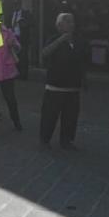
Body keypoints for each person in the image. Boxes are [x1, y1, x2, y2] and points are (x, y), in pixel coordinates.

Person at [39, 12, 88, 149]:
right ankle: (45, 138)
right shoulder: (53, 39)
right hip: (55, 85)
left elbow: (82, 61)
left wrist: (84, 79)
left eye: (72, 21)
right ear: (59, 25)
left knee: (70, 116)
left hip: (73, 86)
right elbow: (44, 53)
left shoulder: (79, 40)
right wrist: (61, 40)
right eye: (67, 21)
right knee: (50, 115)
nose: (71, 24)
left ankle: (67, 140)